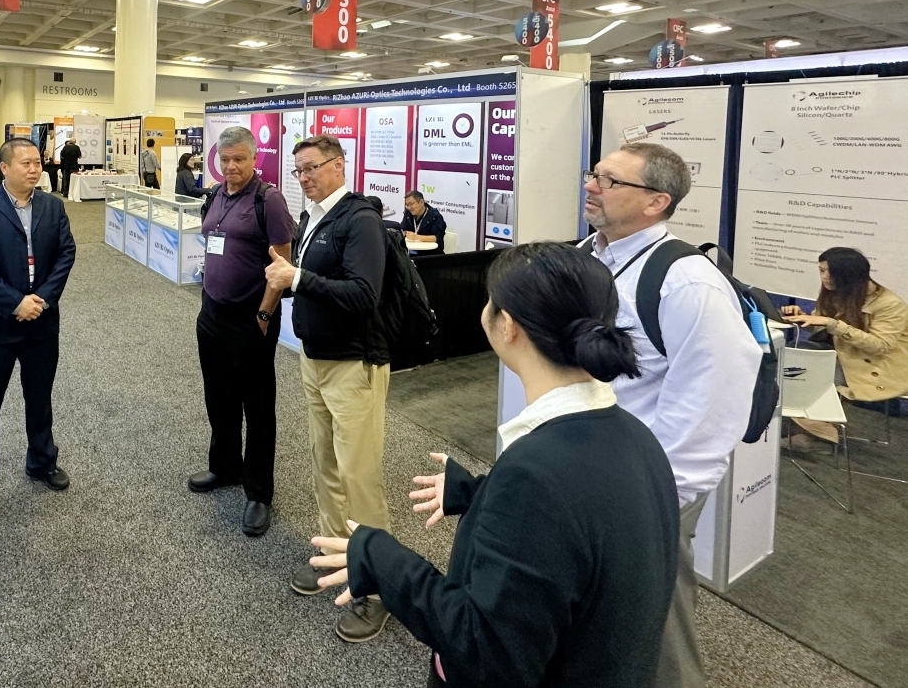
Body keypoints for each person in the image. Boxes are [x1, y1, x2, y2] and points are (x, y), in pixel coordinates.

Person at [308, 242, 679, 688]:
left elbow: (485, 650)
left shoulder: (536, 476)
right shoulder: (636, 439)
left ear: (508, 326)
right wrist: (482, 493)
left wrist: (381, 559)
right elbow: (580, 531)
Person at [581, 142, 761, 688]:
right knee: (601, 606)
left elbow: (713, 399)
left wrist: (660, 493)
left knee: (656, 620)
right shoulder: (590, 255)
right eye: (594, 174)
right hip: (589, 468)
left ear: (656, 201)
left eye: (610, 181)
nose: (591, 186)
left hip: (648, 482)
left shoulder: (688, 281)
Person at [264, 133, 391, 643]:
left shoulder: (360, 220)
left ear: (339, 165)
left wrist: (297, 279)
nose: (304, 178)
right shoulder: (313, 217)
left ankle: (377, 584)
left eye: (312, 167)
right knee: (325, 464)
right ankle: (337, 553)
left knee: (359, 474)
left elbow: (363, 295)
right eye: (298, 170)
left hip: (353, 364)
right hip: (314, 360)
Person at [0, 138, 78, 521]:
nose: (34, 168)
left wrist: (42, 299)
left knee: (39, 398)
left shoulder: (52, 206)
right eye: (25, 163)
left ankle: (42, 461)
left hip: (42, 322)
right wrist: (14, 303)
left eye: (37, 162)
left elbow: (66, 253)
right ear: (4, 168)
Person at [189, 127, 295, 537]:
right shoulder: (216, 194)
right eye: (225, 159)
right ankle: (225, 467)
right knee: (219, 396)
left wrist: (265, 314)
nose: (231, 166)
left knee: (257, 405)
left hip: (252, 318)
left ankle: (259, 491)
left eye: (239, 159)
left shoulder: (269, 200)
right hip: (212, 314)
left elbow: (282, 265)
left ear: (255, 159)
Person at [781, 247, 908, 441]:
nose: (825, 277)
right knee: (790, 357)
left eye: (831, 272)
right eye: (821, 270)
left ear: (849, 275)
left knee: (801, 374)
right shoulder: (836, 293)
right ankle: (817, 431)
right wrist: (803, 318)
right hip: (845, 355)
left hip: (879, 366)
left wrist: (831, 324)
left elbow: (880, 345)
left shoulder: (890, 304)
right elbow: (826, 329)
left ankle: (821, 435)